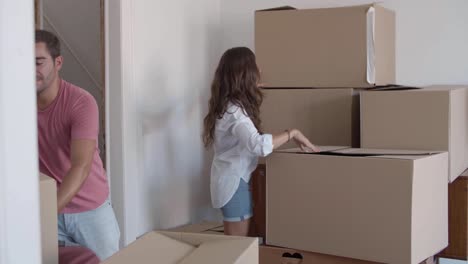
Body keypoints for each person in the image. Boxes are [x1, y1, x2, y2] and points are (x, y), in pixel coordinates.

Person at [203, 47, 319, 236]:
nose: (260, 71)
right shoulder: (235, 113)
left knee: (237, 247)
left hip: (232, 181)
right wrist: (292, 133)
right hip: (234, 185)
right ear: (245, 73)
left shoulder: (229, 106)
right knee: (237, 250)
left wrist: (252, 90)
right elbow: (258, 145)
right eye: (255, 67)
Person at [36, 29, 120, 260]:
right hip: (48, 207)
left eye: (38, 62)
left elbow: (80, 167)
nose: (31, 70)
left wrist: (45, 213)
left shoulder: (80, 102)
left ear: (58, 62)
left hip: (89, 211)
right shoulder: (18, 104)